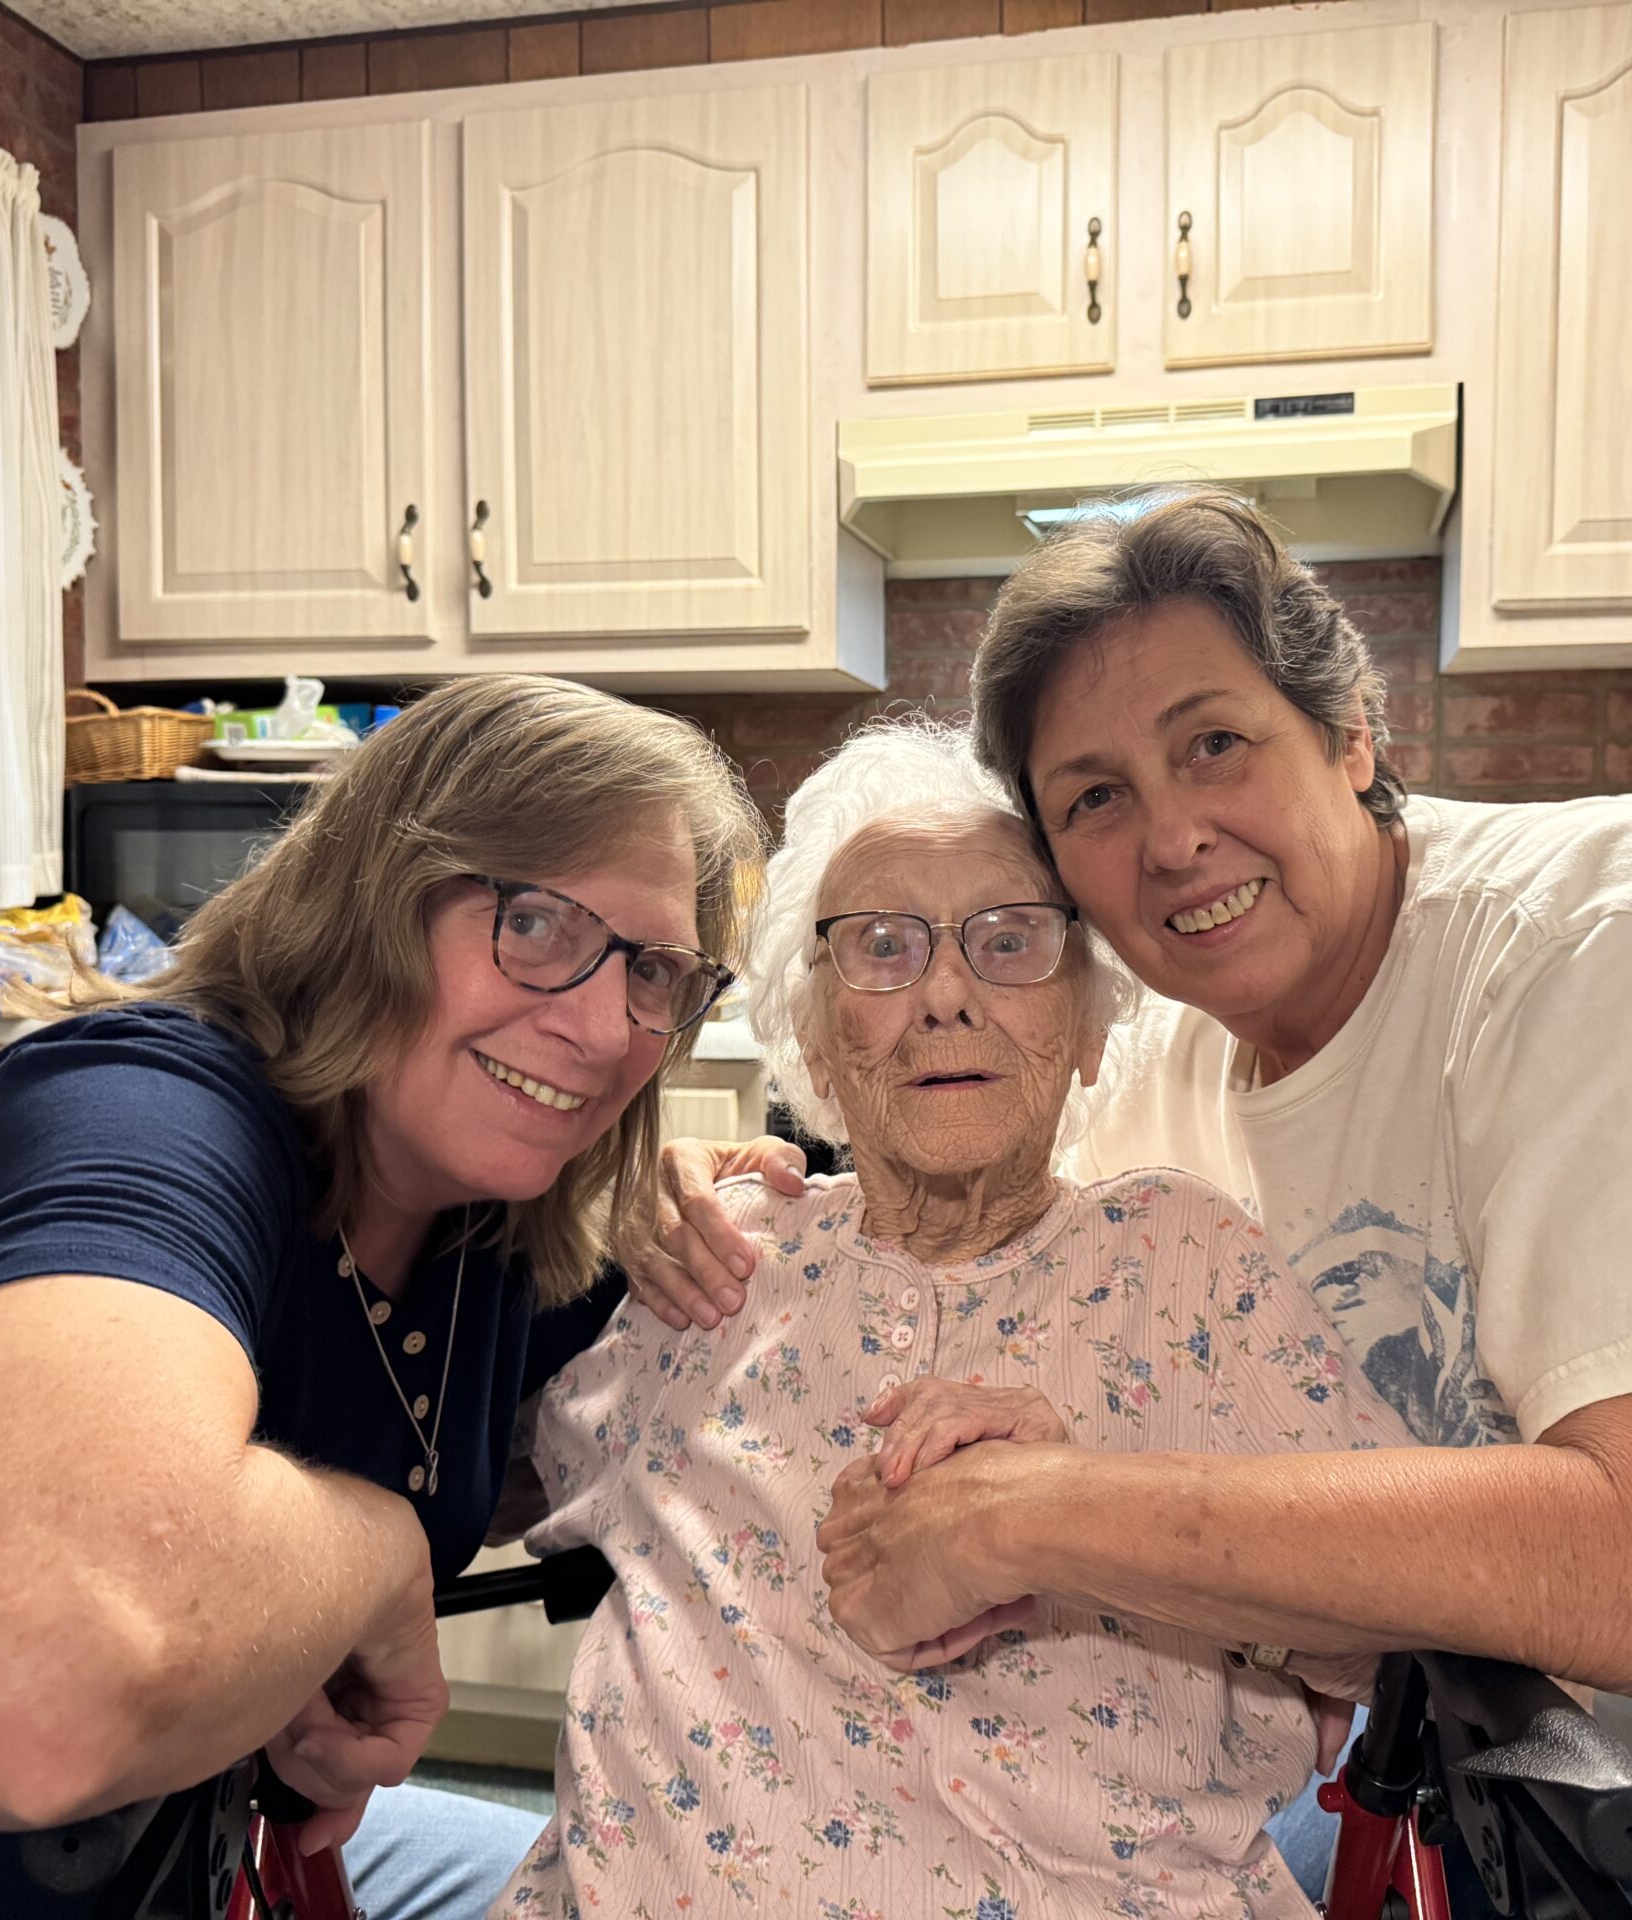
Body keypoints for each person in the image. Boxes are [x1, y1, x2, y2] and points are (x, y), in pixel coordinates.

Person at [638, 491, 1632, 1919]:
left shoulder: (1613, 946)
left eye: (1215, 744)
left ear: (1353, 736)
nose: (1171, 837)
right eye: (1096, 796)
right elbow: (973, 1232)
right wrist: (732, 1206)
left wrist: (1025, 1515)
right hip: (1570, 1728)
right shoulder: (1179, 1059)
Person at [0, 675, 764, 1919]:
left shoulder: (474, 1213)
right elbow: (16, 1695)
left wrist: (737, 1217)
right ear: (372, 899)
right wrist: (379, 1550)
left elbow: (557, 1440)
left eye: (656, 973)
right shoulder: (140, 1118)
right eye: (533, 923)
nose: (602, 1027)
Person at [496, 723, 1402, 1918]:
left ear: (1090, 1024)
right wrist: (590, 1217)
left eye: (1010, 940)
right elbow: (485, 1476)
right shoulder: (724, 1261)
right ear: (812, 1038)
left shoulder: (1181, 1259)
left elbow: (1399, 1639)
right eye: (881, 948)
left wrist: (1084, 1514)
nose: (945, 997)